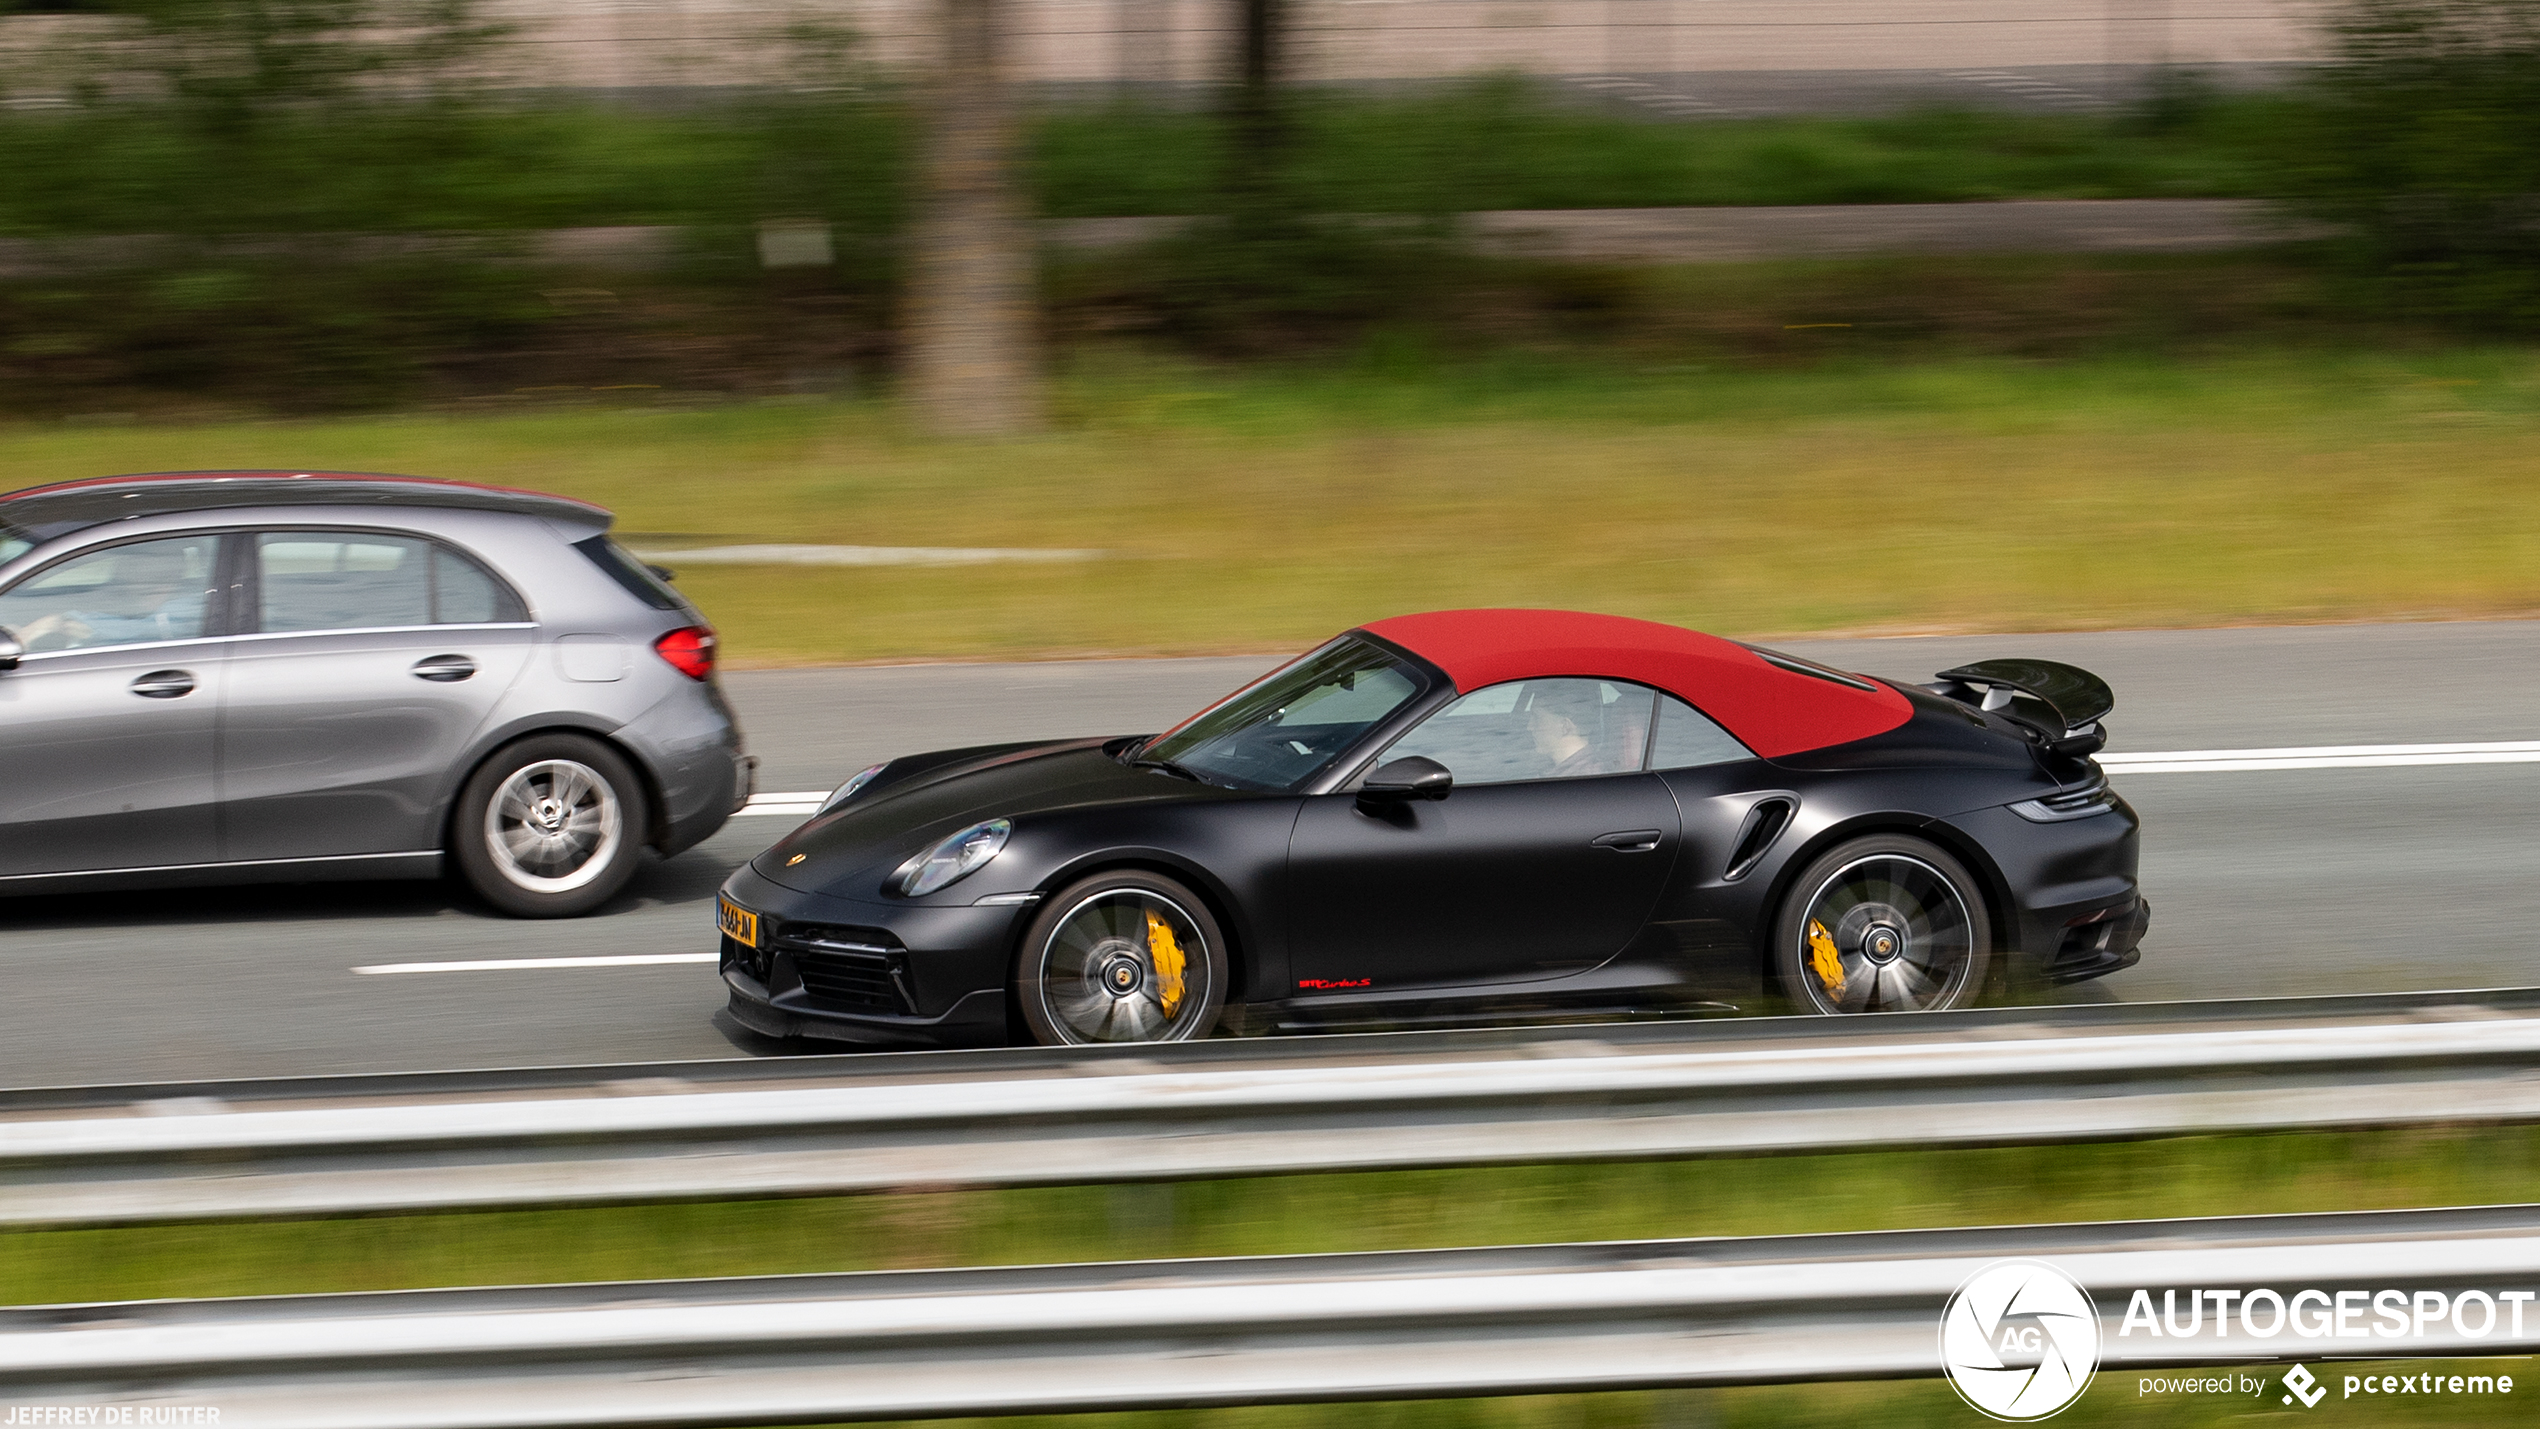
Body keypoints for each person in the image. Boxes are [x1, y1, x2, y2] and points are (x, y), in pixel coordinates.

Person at [5, 543, 207, 652]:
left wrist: (52, 624)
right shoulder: (131, 603)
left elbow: (139, 630)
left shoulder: (188, 609)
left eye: (133, 564)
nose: (123, 570)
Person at [1524, 680, 1629, 777]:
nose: (1529, 727)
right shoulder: (1579, 774)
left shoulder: (1586, 779)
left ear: (1565, 727)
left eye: (1536, 718)